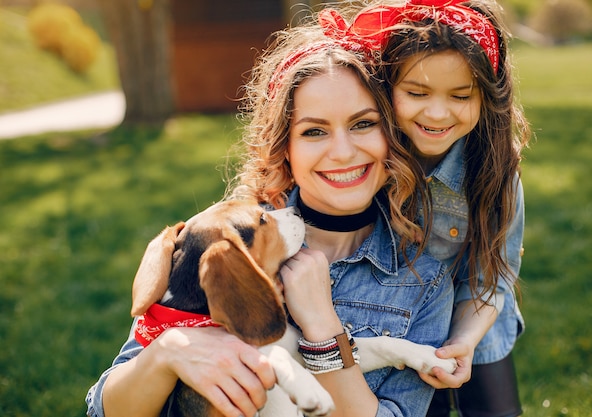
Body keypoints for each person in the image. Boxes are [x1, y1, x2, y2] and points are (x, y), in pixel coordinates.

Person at [86, 18, 455, 417]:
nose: (344, 152)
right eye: (314, 132)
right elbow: (104, 410)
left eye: (363, 124)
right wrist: (169, 352)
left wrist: (323, 328)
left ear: (393, 138)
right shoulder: (221, 241)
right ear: (285, 148)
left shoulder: (423, 281)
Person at [328, 1, 530, 416]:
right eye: (417, 93)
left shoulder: (495, 172)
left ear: (486, 96)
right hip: (388, 324)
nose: (437, 113)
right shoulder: (362, 160)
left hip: (473, 312)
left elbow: (491, 278)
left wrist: (465, 341)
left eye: (460, 96)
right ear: (386, 88)